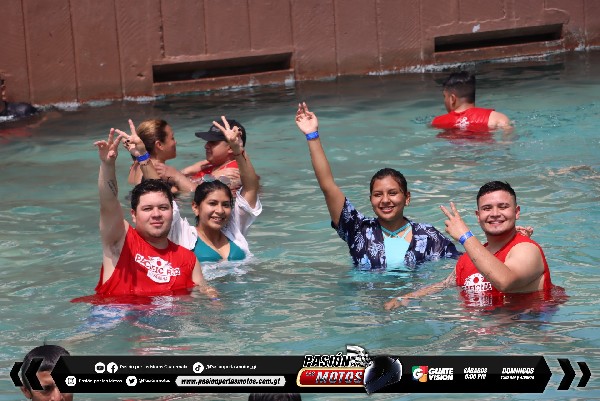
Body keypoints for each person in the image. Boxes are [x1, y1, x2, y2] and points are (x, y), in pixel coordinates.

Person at [295, 102, 460, 269]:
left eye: (393, 193)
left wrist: (464, 236)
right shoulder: (358, 230)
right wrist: (312, 136)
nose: (385, 200)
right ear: (371, 199)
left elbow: (464, 265)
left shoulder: (428, 235)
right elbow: (328, 186)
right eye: (378, 194)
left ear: (407, 198)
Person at [385, 181, 556, 310]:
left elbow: (505, 282)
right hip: (482, 330)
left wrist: (465, 236)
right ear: (478, 215)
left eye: (503, 207)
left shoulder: (527, 249)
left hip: (523, 333)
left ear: (516, 212)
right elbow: (445, 284)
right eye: (487, 208)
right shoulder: (469, 258)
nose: (495, 214)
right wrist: (406, 298)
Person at [94, 126, 217, 298]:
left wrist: (215, 300)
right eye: (147, 209)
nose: (156, 214)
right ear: (134, 215)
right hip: (116, 312)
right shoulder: (121, 241)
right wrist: (107, 165)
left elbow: (206, 294)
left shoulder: (188, 259)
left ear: (172, 211)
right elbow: (108, 203)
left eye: (163, 208)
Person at [121, 117, 261, 263]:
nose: (220, 210)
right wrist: (143, 156)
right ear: (195, 207)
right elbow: (159, 191)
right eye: (212, 203)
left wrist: (238, 149)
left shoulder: (235, 230)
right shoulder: (183, 235)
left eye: (225, 205)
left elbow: (251, 188)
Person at [431, 71, 511, 132]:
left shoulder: (438, 122)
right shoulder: (496, 118)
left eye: (444, 96)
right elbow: (508, 136)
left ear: (452, 99)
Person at [126, 119, 178, 189]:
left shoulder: (135, 166)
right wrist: (178, 177)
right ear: (159, 145)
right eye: (172, 138)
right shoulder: (160, 173)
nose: (175, 142)